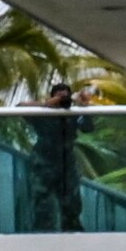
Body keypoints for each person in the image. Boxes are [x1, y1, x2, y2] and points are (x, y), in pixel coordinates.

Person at [23, 82, 96, 232]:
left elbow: (88, 128)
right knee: (43, 204)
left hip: (66, 162)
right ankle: (42, 236)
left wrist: (83, 107)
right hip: (44, 161)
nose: (63, 100)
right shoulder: (43, 113)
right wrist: (47, 105)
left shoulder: (72, 114)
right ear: (52, 97)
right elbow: (20, 109)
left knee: (72, 205)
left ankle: (72, 235)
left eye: (66, 96)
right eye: (59, 96)